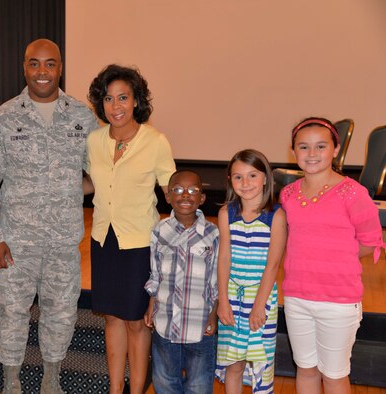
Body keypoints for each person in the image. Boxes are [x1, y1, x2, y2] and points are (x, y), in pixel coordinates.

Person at [0, 38, 98, 394]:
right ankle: (11, 381)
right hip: (14, 243)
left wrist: (73, 189)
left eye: (50, 63)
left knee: (62, 313)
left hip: (62, 243)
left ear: (61, 67)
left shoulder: (81, 117)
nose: (42, 72)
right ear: (24, 67)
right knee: (13, 314)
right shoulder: (4, 117)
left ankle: (51, 378)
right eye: (34, 63)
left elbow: (100, 173)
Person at [86, 64, 176, 393]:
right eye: (109, 99)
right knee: (111, 317)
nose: (116, 106)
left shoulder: (155, 141)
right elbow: (91, 182)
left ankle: (136, 390)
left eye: (123, 97)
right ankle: (115, 388)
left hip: (140, 243)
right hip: (103, 239)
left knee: (137, 321)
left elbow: (172, 190)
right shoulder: (94, 141)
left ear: (136, 100)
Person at [280, 117, 385, 394]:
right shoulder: (288, 194)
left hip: (338, 301)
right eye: (303, 147)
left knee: (335, 375)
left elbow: (369, 242)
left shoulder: (353, 193)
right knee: (305, 369)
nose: (311, 154)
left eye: (320, 146)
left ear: (335, 150)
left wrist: (337, 260)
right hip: (297, 297)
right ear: (294, 151)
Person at [215, 149, 287, 394]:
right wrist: (222, 300)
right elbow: (223, 258)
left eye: (252, 176)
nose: (245, 184)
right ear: (230, 180)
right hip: (232, 298)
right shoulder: (226, 213)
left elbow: (273, 265)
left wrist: (259, 305)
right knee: (233, 363)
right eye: (238, 177)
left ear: (266, 178)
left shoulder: (276, 216)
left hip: (261, 298)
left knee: (261, 362)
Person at [144, 169, 219, 394]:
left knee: (199, 383)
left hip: (199, 323)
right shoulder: (160, 231)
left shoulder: (212, 233)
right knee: (165, 380)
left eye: (192, 191)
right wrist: (151, 305)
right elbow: (155, 273)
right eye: (177, 189)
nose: (185, 195)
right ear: (168, 197)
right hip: (166, 321)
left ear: (202, 198)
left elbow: (216, 278)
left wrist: (213, 316)